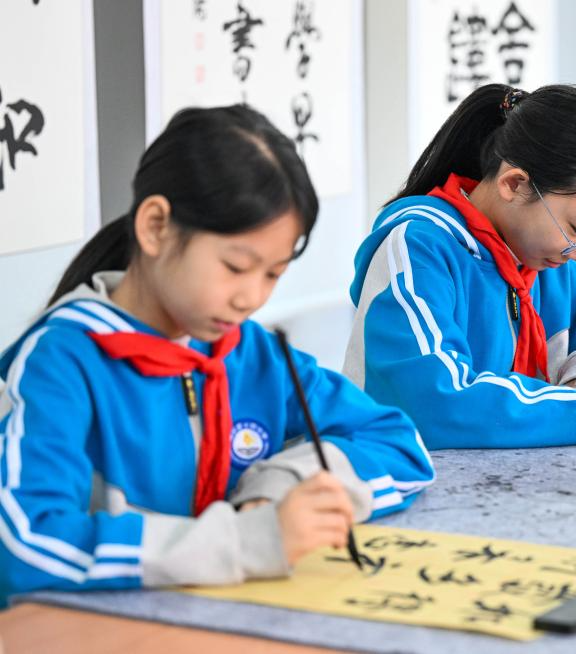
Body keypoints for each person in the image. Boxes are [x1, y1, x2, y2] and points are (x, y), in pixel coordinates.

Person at [0, 105, 434, 602]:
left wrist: (277, 489)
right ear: (156, 227)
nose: (252, 297)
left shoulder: (254, 353)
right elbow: (24, 544)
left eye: (272, 274)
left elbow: (401, 445)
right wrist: (245, 542)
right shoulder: (61, 361)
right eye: (235, 267)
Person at [343, 84, 576, 449]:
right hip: (403, 472)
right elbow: (435, 402)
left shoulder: (550, 266)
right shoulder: (418, 250)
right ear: (514, 184)